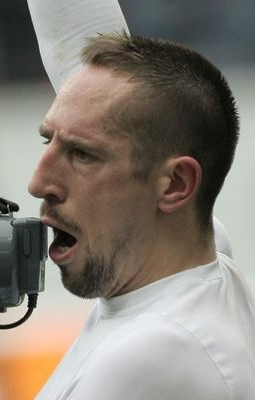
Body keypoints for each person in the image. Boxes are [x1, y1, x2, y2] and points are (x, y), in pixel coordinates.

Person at [28, 31, 255, 399]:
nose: (39, 184)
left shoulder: (155, 351)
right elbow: (103, 97)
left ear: (174, 185)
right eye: (48, 140)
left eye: (82, 155)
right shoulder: (200, 257)